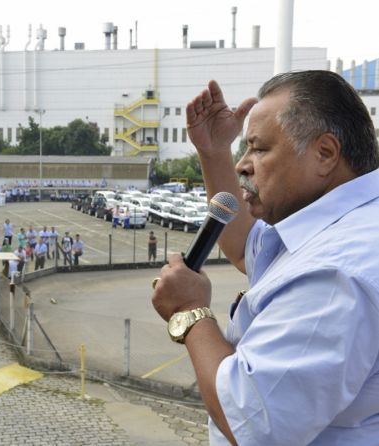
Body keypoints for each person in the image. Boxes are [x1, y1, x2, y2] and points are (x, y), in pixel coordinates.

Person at [151, 71, 379, 445]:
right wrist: (214, 152)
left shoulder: (337, 271)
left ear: (324, 153)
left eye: (258, 148)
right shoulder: (338, 225)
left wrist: (189, 313)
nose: (243, 164)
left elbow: (251, 422)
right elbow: (244, 247)